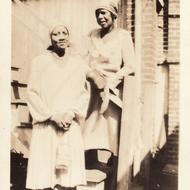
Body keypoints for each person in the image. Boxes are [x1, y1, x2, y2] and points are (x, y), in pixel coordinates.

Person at [26, 22, 89, 190]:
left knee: (68, 180)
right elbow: (32, 92)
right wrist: (51, 116)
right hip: (47, 124)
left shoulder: (78, 63)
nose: (60, 37)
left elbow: (83, 93)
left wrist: (71, 113)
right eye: (56, 34)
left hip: (69, 124)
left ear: (69, 37)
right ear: (51, 38)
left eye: (64, 33)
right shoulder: (39, 62)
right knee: (45, 179)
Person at [82, 0, 136, 189]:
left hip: (112, 89)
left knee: (112, 132)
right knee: (86, 128)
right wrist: (92, 76)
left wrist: (111, 81)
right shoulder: (92, 35)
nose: (101, 17)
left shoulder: (123, 36)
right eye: (98, 14)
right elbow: (83, 60)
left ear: (114, 15)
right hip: (90, 87)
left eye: (105, 13)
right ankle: (87, 165)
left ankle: (115, 176)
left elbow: (130, 66)